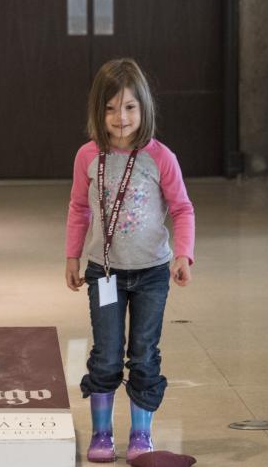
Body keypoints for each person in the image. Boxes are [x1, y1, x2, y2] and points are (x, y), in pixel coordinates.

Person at [64, 58, 193, 463]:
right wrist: (72, 255)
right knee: (105, 352)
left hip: (152, 273)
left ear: (144, 109)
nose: (120, 117)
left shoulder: (160, 157)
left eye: (130, 107)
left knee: (143, 352)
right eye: (110, 108)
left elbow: (182, 209)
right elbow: (78, 208)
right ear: (97, 111)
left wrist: (184, 254)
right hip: (104, 273)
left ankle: (141, 434)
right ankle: (102, 434)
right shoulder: (88, 156)